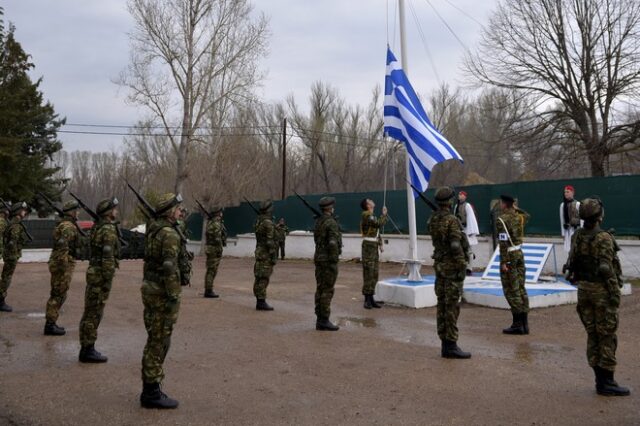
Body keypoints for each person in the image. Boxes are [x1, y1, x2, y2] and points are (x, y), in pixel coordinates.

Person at [566, 197, 630, 397]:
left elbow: (572, 263)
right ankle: (607, 382)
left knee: (593, 334)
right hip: (601, 291)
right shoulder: (603, 238)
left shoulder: (578, 235)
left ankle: (599, 380)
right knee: (607, 336)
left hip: (584, 290)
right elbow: (606, 268)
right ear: (599, 215)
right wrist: (614, 293)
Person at [139, 193, 184, 409]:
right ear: (168, 211)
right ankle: (151, 392)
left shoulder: (154, 230)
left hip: (151, 288)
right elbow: (169, 267)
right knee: (158, 340)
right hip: (162, 293)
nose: (180, 211)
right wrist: (174, 295)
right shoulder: (168, 234)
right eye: (177, 208)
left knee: (155, 338)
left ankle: (151, 387)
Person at [429, 187, 472, 359]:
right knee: (452, 307)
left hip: (440, 267)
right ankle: (451, 345)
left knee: (442, 305)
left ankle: (445, 344)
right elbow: (455, 245)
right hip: (452, 268)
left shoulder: (433, 219)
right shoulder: (452, 220)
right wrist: (462, 265)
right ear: (449, 201)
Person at [78, 197, 121, 363]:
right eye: (114, 209)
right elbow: (108, 258)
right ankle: (88, 349)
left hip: (94, 272)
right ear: (108, 212)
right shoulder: (108, 230)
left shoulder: (97, 227)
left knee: (90, 311)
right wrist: (108, 279)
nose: (116, 211)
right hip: (100, 275)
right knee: (94, 312)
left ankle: (86, 346)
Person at [44, 200, 81, 335]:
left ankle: (51, 322)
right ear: (72, 212)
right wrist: (63, 267)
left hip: (58, 263)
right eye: (76, 210)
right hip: (62, 265)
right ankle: (50, 324)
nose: (78, 213)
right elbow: (62, 248)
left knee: (57, 293)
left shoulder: (63, 225)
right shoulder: (68, 227)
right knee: (58, 294)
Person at [496, 194, 531, 335]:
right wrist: (516, 208)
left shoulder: (501, 220)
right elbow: (527, 215)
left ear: (504, 204)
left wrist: (504, 261)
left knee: (511, 289)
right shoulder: (519, 217)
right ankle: (525, 324)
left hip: (509, 255)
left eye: (501, 203)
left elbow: (503, 242)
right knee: (521, 287)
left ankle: (517, 324)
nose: (500, 205)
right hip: (519, 253)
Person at [314, 197, 342, 331]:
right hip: (327, 260)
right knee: (327, 289)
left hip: (319, 258)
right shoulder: (331, 222)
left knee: (320, 288)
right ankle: (324, 319)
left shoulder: (319, 221)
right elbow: (332, 243)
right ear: (330, 208)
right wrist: (333, 260)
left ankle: (320, 318)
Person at [0, 202, 30, 312]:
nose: (25, 212)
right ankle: (1, 300)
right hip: (11, 256)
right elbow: (12, 242)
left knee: (5, 277)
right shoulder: (16, 225)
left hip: (10, 255)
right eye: (23, 210)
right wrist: (13, 256)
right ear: (18, 211)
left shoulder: (14, 223)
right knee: (6, 278)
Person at [359, 198, 387, 309]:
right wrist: (384, 215)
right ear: (367, 205)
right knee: (368, 273)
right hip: (368, 247)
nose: (372, 201)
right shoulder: (366, 215)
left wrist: (380, 243)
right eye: (370, 200)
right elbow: (378, 224)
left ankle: (371, 298)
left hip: (373, 246)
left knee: (374, 273)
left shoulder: (371, 215)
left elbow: (376, 232)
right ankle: (367, 300)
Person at [253, 200, 277, 311]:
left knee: (259, 276)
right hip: (266, 253)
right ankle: (261, 302)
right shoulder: (268, 222)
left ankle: (259, 299)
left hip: (259, 252)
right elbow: (269, 241)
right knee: (264, 277)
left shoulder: (259, 221)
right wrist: (273, 255)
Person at [454, 191, 479, 274]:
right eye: (459, 194)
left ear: (465, 197)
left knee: (469, 250)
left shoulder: (467, 205)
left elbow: (471, 218)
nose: (460, 196)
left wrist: (471, 231)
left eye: (461, 195)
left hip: (467, 229)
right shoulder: (456, 206)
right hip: (459, 230)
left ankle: (469, 268)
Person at [204, 207, 226, 298]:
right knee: (212, 270)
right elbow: (217, 239)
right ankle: (208, 290)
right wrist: (220, 249)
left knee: (210, 270)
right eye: (221, 212)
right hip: (214, 249)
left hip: (210, 249)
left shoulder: (210, 223)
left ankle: (208, 289)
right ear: (218, 213)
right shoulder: (216, 224)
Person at [560, 185, 582, 252]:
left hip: (576, 230)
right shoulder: (562, 205)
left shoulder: (578, 204)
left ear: (572, 192)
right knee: (569, 251)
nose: (566, 193)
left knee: (577, 250)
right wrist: (563, 234)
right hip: (567, 231)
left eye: (567, 192)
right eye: (565, 192)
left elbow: (582, 219)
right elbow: (562, 220)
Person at [176, 207, 193, 287]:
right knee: (182, 263)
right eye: (183, 212)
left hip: (179, 245)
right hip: (179, 246)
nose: (184, 214)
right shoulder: (180, 223)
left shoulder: (179, 222)